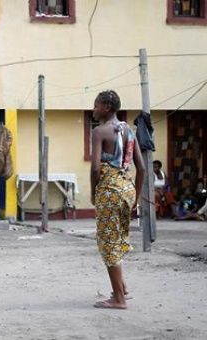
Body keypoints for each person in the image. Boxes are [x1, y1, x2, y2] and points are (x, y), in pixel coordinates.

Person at [90, 90, 145, 310]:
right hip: (127, 189)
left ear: (106, 107)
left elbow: (95, 168)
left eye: (96, 105)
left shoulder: (100, 131)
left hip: (109, 191)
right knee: (118, 237)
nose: (93, 109)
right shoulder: (129, 131)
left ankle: (119, 299)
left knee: (109, 242)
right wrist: (136, 197)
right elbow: (140, 168)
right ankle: (122, 288)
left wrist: (94, 192)